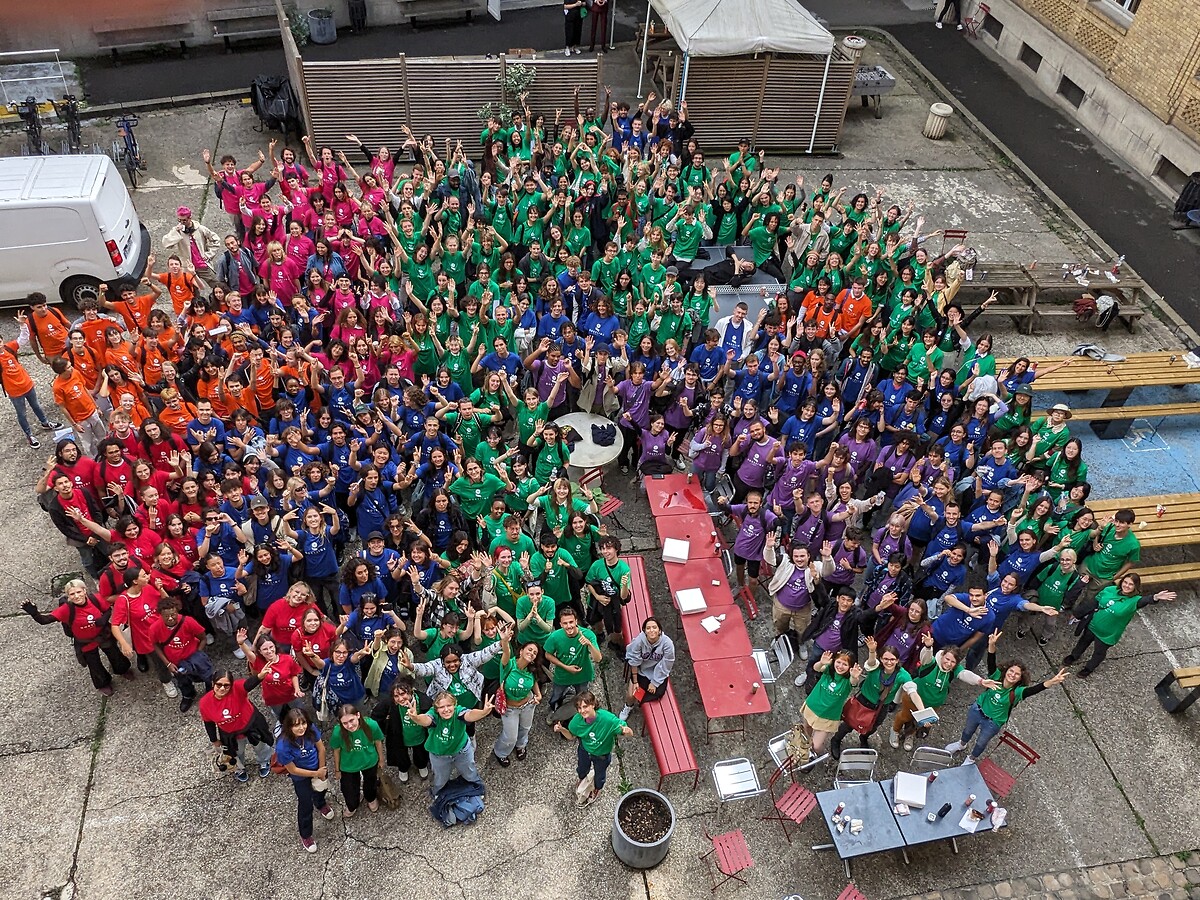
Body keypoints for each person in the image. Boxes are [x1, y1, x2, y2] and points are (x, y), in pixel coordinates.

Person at [945, 629, 1069, 763]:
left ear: (1020, 678)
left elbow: (1036, 689)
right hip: (978, 709)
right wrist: (992, 644)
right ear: (1006, 670)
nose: (1013, 675)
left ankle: (971, 758)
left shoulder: (1017, 692)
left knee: (981, 743)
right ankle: (961, 744)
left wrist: (1052, 681)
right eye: (1011, 671)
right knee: (967, 731)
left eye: (1017, 674)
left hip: (993, 722)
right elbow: (991, 661)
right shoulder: (996, 676)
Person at [21, 579, 132, 695]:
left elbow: (107, 610)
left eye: (79, 592)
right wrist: (34, 613)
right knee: (94, 664)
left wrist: (103, 620)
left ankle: (123, 669)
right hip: (85, 642)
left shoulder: (95, 599)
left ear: (85, 591)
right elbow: (45, 620)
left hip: (103, 635)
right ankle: (103, 683)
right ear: (68, 596)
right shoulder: (66, 609)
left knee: (115, 653)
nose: (76, 596)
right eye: (72, 594)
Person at [1065, 573, 1178, 677]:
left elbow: (1145, 600)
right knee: (1083, 642)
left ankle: (1089, 668)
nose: (1127, 586)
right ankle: (1074, 656)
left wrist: (1155, 597)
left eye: (1131, 584)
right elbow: (1094, 603)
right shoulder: (1109, 590)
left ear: (1135, 587)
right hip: (1093, 625)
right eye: (1125, 582)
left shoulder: (1135, 601)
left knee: (1099, 652)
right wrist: (1078, 614)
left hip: (1107, 634)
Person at [553, 690, 633, 807]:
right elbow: (571, 736)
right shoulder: (576, 721)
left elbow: (629, 732)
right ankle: (582, 778)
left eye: (585, 706)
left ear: (593, 705)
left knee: (600, 775)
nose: (582, 711)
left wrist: (627, 731)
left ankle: (597, 788)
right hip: (585, 750)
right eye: (579, 708)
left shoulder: (608, 719)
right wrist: (562, 730)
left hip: (602, 755)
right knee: (581, 768)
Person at [408, 689, 496, 795]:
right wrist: (415, 718)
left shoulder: (459, 712)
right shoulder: (433, 715)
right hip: (439, 755)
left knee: (470, 772)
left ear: (455, 705)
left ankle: (477, 788)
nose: (446, 710)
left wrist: (483, 712)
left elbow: (470, 715)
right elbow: (426, 720)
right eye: (441, 707)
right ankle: (438, 793)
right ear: (436, 709)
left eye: (449, 705)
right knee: (440, 779)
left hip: (462, 751)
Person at [274, 707, 336, 853]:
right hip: (300, 777)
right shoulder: (283, 746)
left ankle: (321, 804)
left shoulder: (311, 730)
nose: (301, 728)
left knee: (321, 788)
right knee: (305, 803)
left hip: (318, 767)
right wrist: (315, 773)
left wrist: (321, 770)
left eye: (303, 723)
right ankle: (306, 835)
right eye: (296, 725)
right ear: (289, 726)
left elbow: (321, 749)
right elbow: (293, 769)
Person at [198, 669, 276, 783]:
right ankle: (239, 769)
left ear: (231, 685)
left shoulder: (237, 689)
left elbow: (248, 684)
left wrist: (260, 676)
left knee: (260, 746)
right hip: (229, 734)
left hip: (251, 726)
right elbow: (208, 722)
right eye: (218, 684)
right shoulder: (205, 703)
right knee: (235, 753)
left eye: (226, 685)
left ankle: (264, 762)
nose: (222, 688)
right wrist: (214, 740)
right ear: (213, 684)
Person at [492, 630, 543, 766]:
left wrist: (538, 695)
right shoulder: (509, 665)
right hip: (510, 708)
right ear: (521, 651)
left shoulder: (531, 670)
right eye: (529, 650)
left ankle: (521, 745)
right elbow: (506, 653)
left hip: (528, 705)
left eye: (534, 653)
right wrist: (505, 641)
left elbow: (534, 681)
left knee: (525, 728)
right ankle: (501, 753)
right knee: (510, 737)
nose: (531, 653)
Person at [543, 607, 603, 722]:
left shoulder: (588, 634)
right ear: (560, 624)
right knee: (556, 696)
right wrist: (565, 667)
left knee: (582, 698)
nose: (569, 626)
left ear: (576, 621)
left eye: (571, 622)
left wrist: (589, 644)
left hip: (583, 675)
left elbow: (598, 658)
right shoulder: (555, 636)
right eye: (565, 623)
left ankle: (579, 715)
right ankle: (554, 710)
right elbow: (548, 655)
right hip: (562, 675)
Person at [329, 704, 386, 817]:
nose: (349, 725)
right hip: (348, 765)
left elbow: (378, 742)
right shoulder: (337, 732)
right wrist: (337, 770)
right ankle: (352, 805)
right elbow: (336, 751)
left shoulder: (371, 725)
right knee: (349, 789)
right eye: (345, 723)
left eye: (351, 720)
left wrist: (381, 759)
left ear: (358, 715)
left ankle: (371, 798)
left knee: (371, 783)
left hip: (369, 760)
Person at [372, 676, 432, 782]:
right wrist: (385, 728)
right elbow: (376, 717)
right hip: (399, 737)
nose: (400, 699)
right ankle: (403, 768)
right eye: (396, 696)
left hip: (419, 736)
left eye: (403, 693)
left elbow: (433, 718)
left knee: (421, 753)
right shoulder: (388, 703)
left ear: (411, 690)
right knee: (400, 755)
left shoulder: (424, 701)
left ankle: (421, 765)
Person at [619, 616, 676, 722]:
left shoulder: (667, 644)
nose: (651, 630)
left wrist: (654, 682)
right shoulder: (639, 642)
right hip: (641, 671)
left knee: (656, 693)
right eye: (648, 628)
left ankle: (642, 700)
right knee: (631, 694)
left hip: (658, 673)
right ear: (644, 631)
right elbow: (634, 661)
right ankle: (628, 707)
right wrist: (635, 681)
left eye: (654, 627)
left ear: (659, 630)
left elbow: (666, 664)